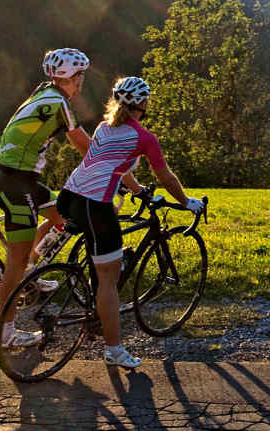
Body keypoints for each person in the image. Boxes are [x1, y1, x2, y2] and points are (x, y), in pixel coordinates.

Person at [57, 76, 204, 368]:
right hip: (94, 205)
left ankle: (95, 307)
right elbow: (165, 176)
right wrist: (187, 202)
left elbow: (114, 164)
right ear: (143, 104)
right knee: (110, 282)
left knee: (103, 261)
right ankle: (114, 351)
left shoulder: (103, 128)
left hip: (69, 197)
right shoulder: (144, 137)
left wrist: (137, 191)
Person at [0, 48, 92, 348]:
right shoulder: (58, 103)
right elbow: (82, 144)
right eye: (80, 77)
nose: (81, 83)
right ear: (71, 78)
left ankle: (33, 274)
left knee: (62, 216)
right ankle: (7, 333)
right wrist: (110, 169)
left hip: (24, 179)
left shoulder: (45, 94)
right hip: (15, 184)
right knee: (16, 261)